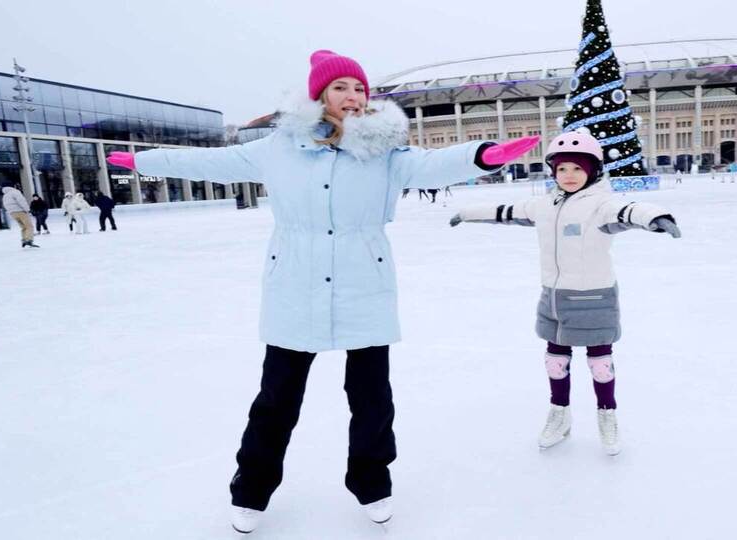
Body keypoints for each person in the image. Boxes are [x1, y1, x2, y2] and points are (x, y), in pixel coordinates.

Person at [105, 49, 539, 534]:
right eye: (341, 88)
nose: (352, 97)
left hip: (364, 283)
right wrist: (145, 160)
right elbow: (213, 162)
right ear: (319, 94)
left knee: (372, 397)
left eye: (359, 88)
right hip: (295, 282)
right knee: (277, 398)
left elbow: (433, 164)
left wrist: (482, 156)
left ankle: (371, 481)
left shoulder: (384, 150)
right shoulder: (278, 147)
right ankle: (251, 489)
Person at [449, 130, 680, 456]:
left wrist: (656, 217)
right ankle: (559, 415)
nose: (568, 176)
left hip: (594, 298)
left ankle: (607, 416)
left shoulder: (601, 205)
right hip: (555, 300)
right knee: (555, 361)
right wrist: (467, 213)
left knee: (600, 363)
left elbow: (628, 211)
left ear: (593, 170)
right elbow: (506, 210)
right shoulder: (545, 205)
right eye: (561, 169)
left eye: (576, 168)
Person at [1, 183, 39, 248]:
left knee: (23, 227)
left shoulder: (5, 196)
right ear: (13, 186)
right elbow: (21, 201)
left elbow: (5, 205)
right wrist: (27, 209)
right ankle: (29, 240)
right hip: (21, 211)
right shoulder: (15, 192)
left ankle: (24, 239)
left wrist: (11, 212)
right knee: (29, 226)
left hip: (13, 213)